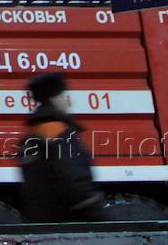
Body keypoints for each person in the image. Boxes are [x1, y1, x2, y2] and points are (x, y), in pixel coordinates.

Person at [17, 72, 105, 223]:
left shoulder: (31, 134)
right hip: (70, 221)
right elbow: (74, 178)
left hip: (44, 221)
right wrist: (98, 216)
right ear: (54, 99)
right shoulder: (57, 131)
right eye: (64, 96)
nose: (68, 101)